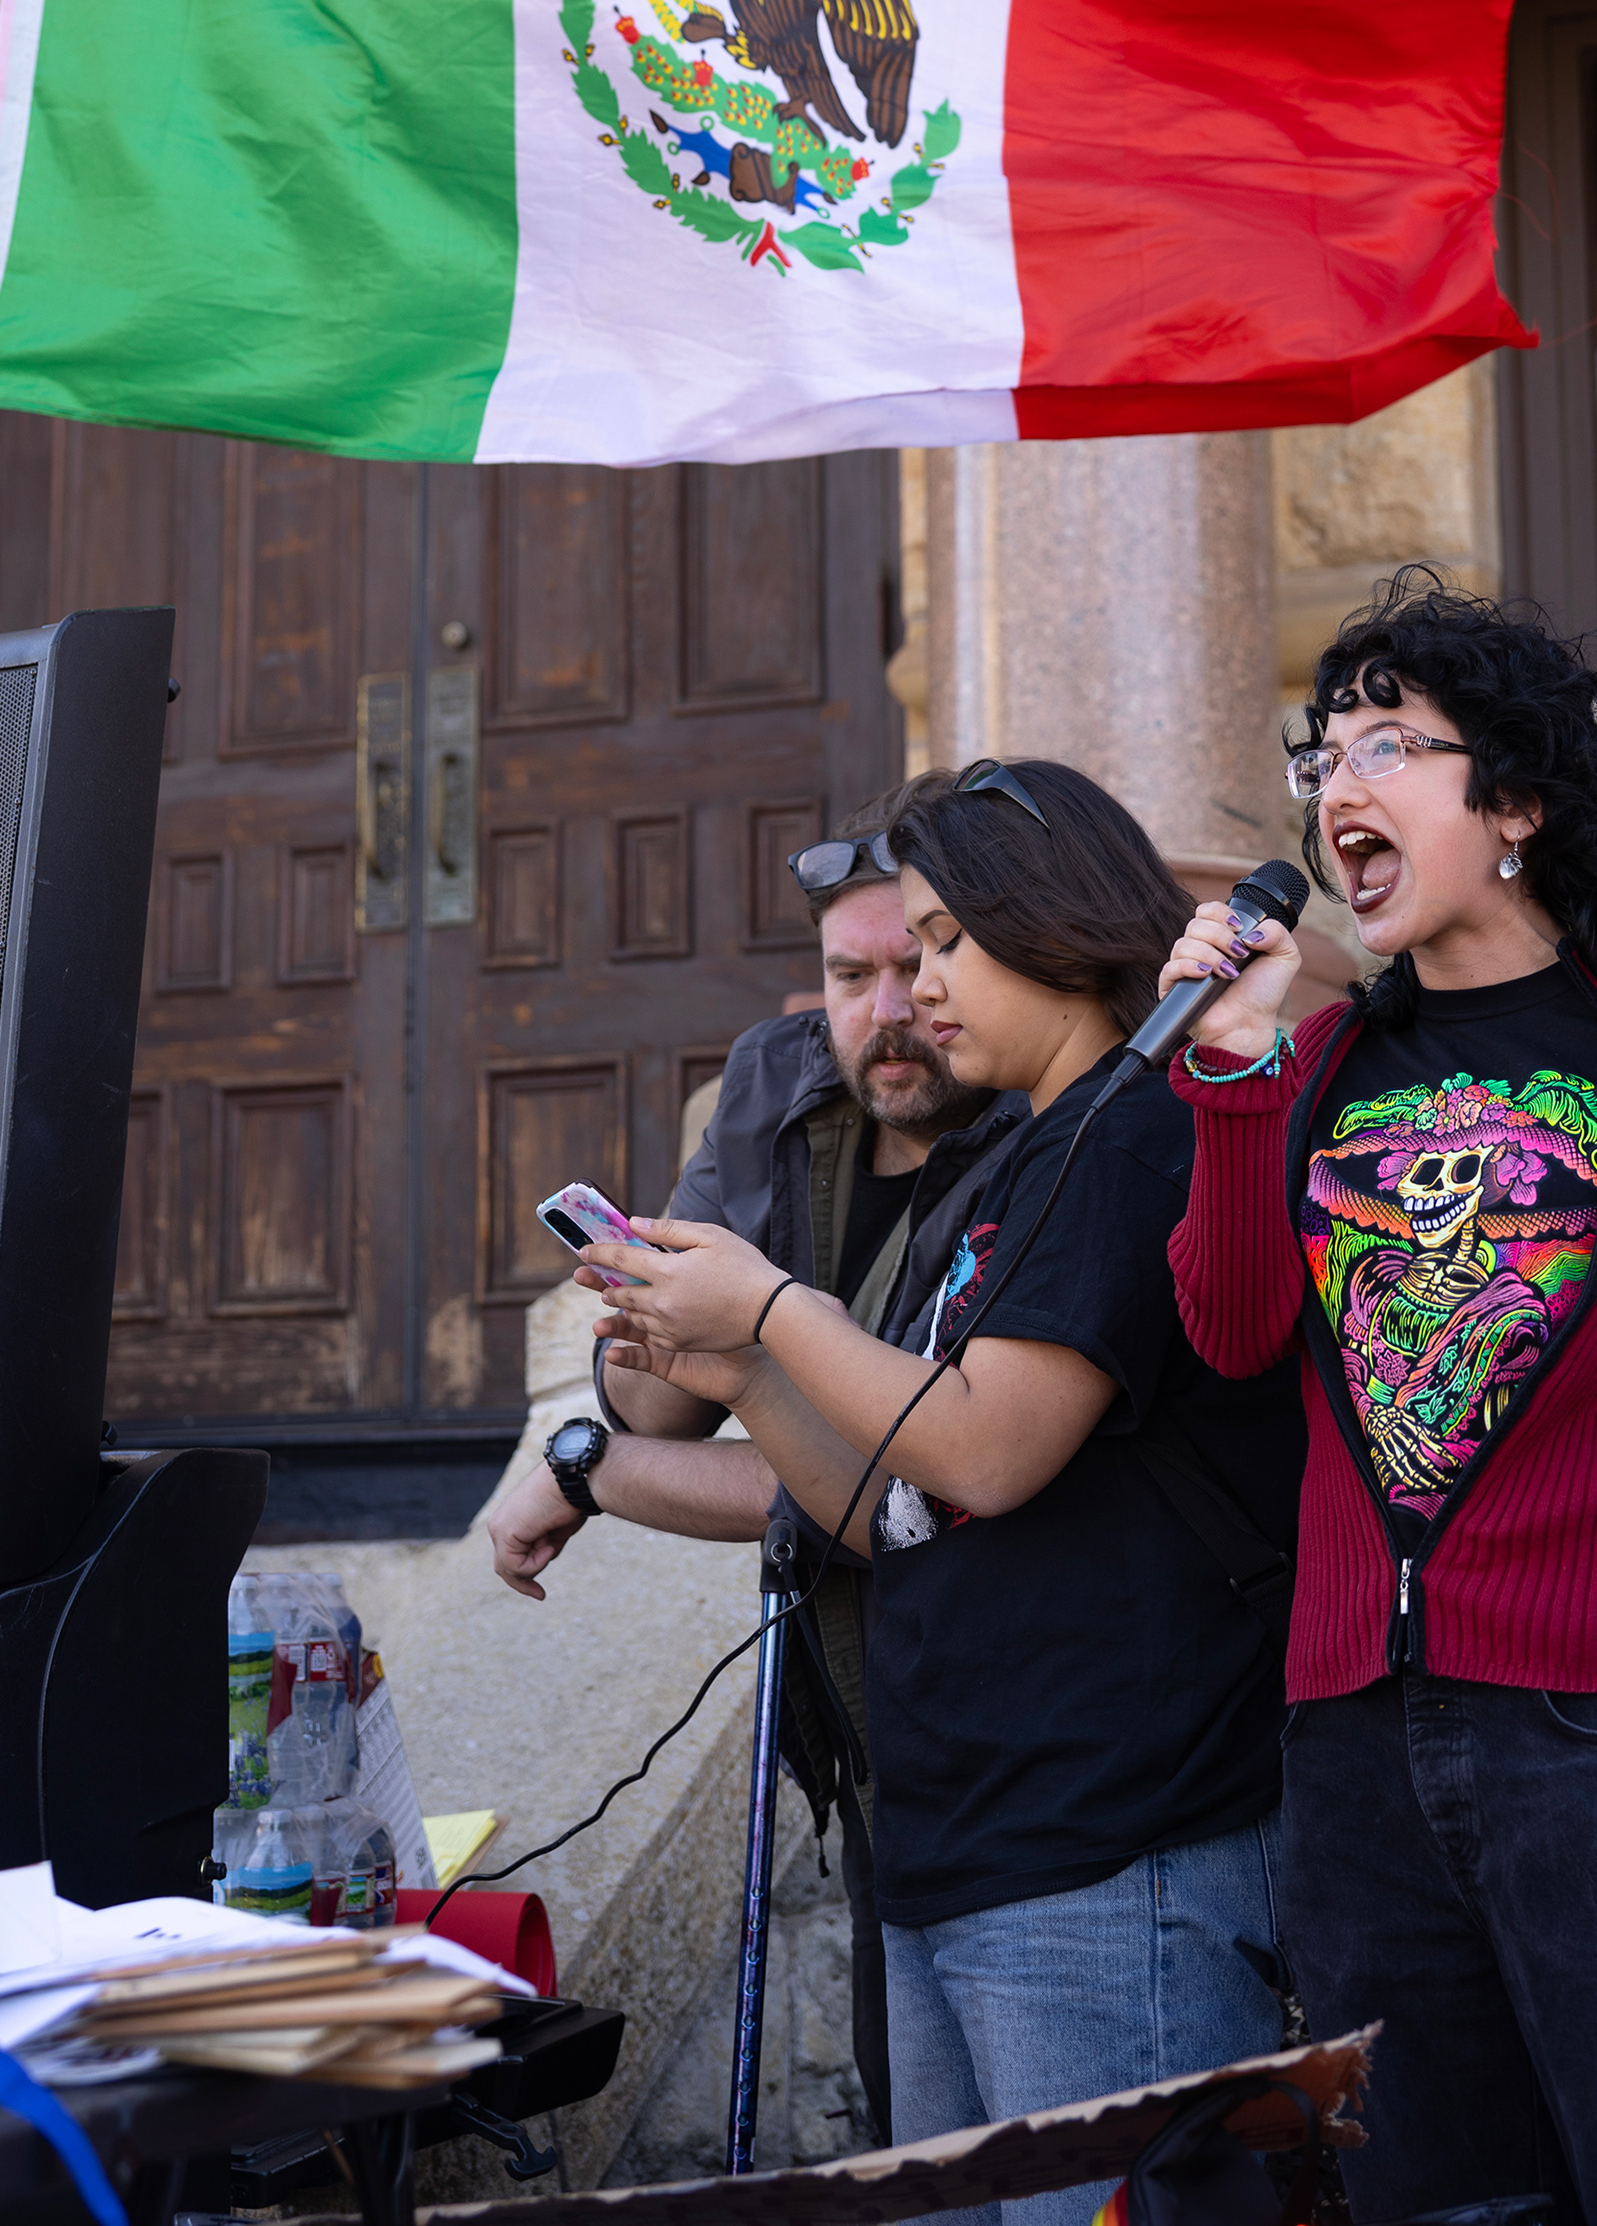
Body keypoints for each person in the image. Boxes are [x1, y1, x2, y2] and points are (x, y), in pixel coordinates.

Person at [1160, 566, 1597, 2225]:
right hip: (1357, 1756)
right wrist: (1233, 1071)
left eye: (1390, 744)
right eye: (1320, 754)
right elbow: (1235, 1330)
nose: (1338, 784)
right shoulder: (1318, 1063)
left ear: (1520, 804)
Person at [579, 758, 1307, 2226]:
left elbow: (986, 1446)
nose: (918, 990)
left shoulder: (1140, 1132)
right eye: (907, 954)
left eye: (946, 945)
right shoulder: (1018, 1160)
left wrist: (776, 1305)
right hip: (953, 1846)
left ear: (1053, 924)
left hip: (1111, 1863)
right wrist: (730, 1368)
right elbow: (887, 1500)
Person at [487, 789, 1017, 2140]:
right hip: (879, 1724)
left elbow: (879, 1487)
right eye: (853, 975)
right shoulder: (779, 1092)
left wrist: (596, 1464)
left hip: (1032, 1724)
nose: (888, 1008)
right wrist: (639, 1322)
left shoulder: (1039, 1132)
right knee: (926, 2140)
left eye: (920, 963)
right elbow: (665, 1412)